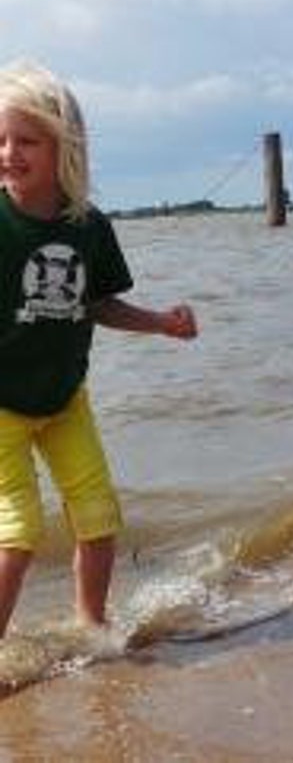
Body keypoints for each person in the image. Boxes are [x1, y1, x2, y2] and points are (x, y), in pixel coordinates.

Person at [0, 60, 198, 637]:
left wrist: (162, 323)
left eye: (26, 140)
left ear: (64, 147)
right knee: (18, 535)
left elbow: (99, 304)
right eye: (1, 139)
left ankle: (92, 626)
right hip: (2, 407)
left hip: (65, 400)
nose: (10, 152)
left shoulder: (88, 227)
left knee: (99, 518)